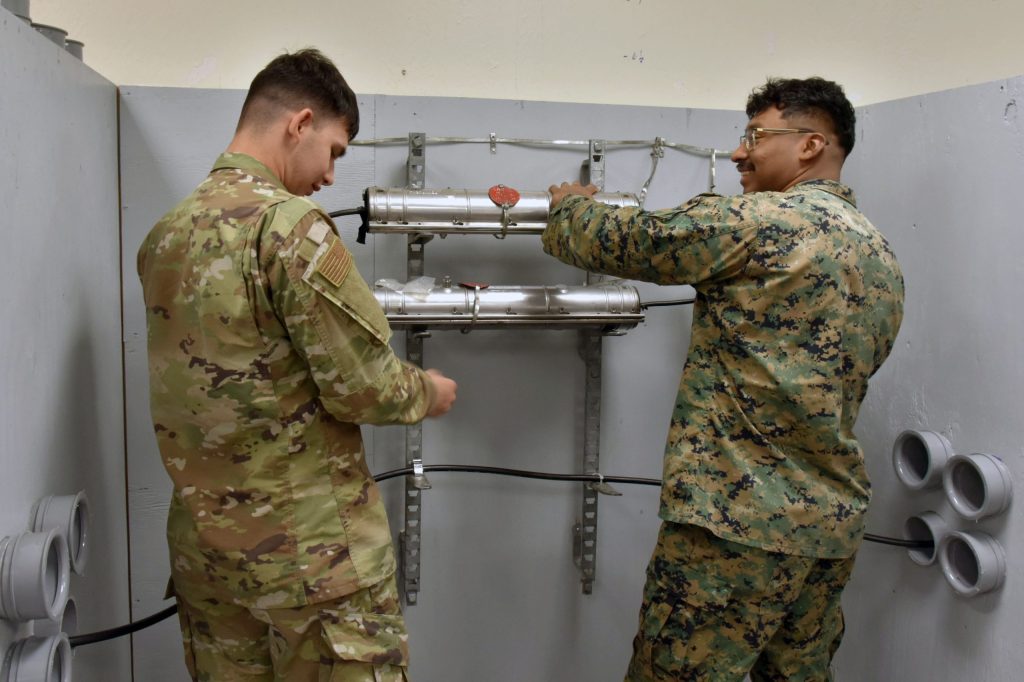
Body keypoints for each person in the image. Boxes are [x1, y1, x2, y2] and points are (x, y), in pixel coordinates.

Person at [543, 77, 903, 681]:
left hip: (735, 529)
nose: (740, 152)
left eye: (755, 136)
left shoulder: (762, 222)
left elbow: (633, 241)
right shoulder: (879, 255)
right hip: (828, 530)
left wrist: (570, 206)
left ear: (812, 145)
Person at [137, 48, 456, 682]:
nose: (332, 176)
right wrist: (429, 391)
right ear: (299, 123)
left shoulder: (167, 235)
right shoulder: (287, 227)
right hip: (311, 559)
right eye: (335, 150)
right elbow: (362, 386)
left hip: (209, 560)